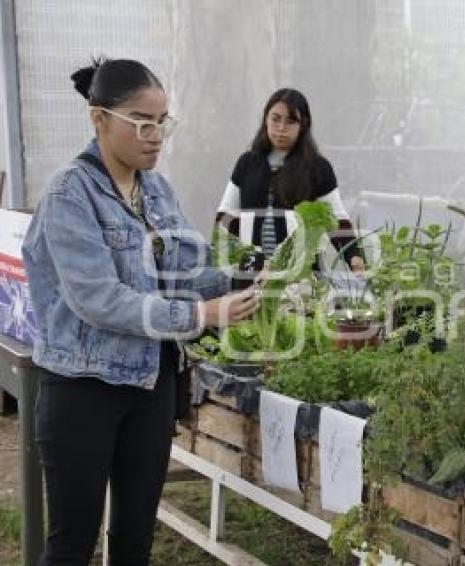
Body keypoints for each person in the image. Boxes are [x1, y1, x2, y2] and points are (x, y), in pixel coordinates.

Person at [22, 57, 259, 565]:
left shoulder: (155, 190)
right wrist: (202, 315)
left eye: (163, 123)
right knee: (71, 544)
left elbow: (186, 269)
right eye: (142, 123)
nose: (156, 136)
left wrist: (248, 275)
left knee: (134, 539)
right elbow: (101, 300)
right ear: (99, 119)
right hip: (83, 391)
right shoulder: (70, 194)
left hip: (149, 388)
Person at [215, 88, 364, 270]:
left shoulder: (318, 168)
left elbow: (337, 221)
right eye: (275, 119)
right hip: (251, 272)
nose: (281, 128)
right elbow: (225, 217)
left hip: (301, 276)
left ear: (303, 125)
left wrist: (354, 258)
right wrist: (245, 253)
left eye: (290, 121)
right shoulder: (246, 163)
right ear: (265, 120)